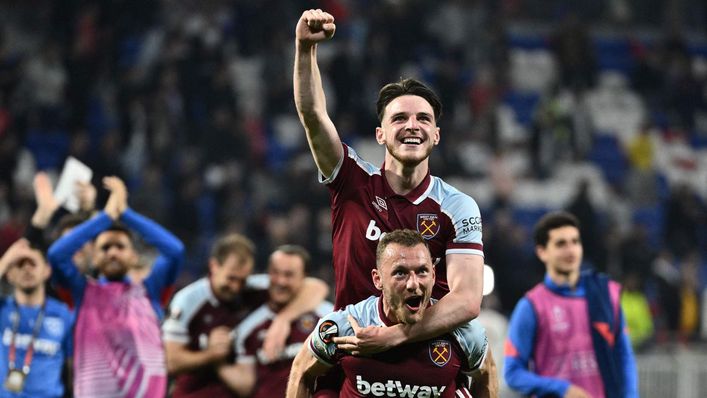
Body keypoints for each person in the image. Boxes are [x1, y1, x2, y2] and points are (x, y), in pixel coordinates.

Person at [293, 8, 484, 352]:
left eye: (423, 118)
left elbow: (468, 300)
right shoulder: (351, 180)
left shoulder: (457, 206)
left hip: (425, 359)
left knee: (481, 353)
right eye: (400, 118)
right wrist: (305, 49)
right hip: (350, 352)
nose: (412, 126)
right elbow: (312, 115)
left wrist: (393, 336)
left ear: (437, 135)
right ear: (380, 134)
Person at [287, 229, 497, 398]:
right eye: (400, 273)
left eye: (422, 271)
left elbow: (487, 373)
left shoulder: (463, 332)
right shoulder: (347, 326)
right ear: (377, 279)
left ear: (434, 275)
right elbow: (302, 370)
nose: (414, 284)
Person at [47, 176, 185, 397]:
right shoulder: (81, 293)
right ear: (93, 256)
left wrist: (126, 214)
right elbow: (56, 255)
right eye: (105, 247)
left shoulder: (150, 292)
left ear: (133, 256)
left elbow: (175, 251)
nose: (112, 252)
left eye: (120, 246)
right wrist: (106, 216)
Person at [162, 235, 329, 398]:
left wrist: (282, 320)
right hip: (193, 392)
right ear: (214, 266)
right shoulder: (187, 301)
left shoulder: (253, 287)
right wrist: (211, 354)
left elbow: (315, 287)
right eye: (231, 278)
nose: (236, 287)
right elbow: (171, 361)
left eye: (242, 280)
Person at [504, 211, 638, 398]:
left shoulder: (605, 294)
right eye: (561, 244)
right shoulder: (531, 306)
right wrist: (561, 389)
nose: (571, 250)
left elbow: (624, 356)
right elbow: (512, 373)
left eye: (575, 242)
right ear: (542, 252)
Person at [217, 244, 333, 398]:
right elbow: (246, 386)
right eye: (275, 273)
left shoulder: (326, 318)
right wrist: (215, 358)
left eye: (289, 275)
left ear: (304, 276)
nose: (281, 281)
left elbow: (319, 286)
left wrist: (283, 319)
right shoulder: (249, 327)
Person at [0, 238, 73, 398]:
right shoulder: (2, 308)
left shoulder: (64, 314)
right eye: (19, 264)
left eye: (32, 263)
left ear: (47, 270)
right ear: (9, 275)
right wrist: (5, 261)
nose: (27, 269)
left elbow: (73, 368)